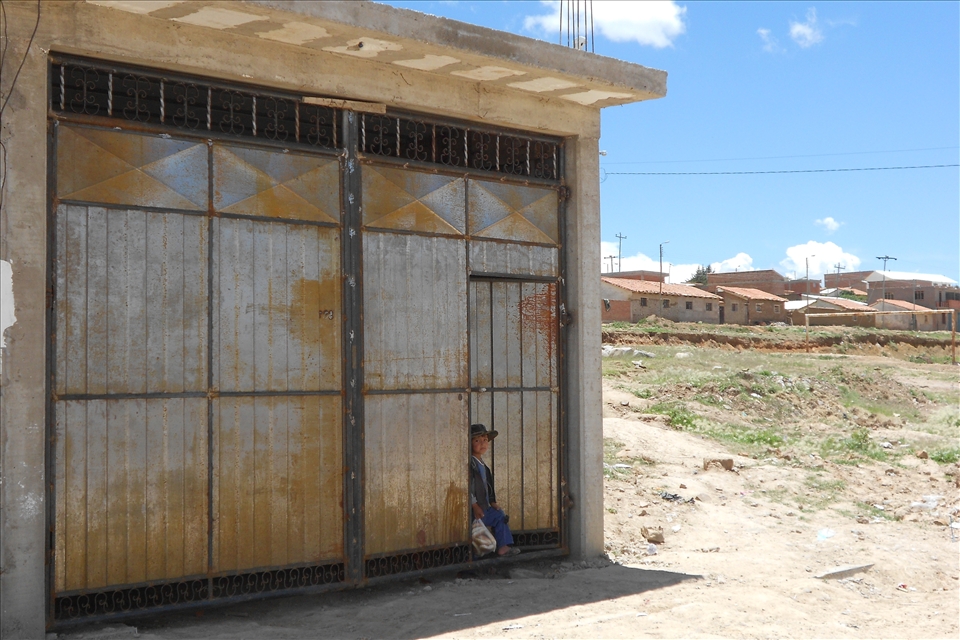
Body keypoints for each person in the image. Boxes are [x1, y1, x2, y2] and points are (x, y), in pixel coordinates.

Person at [469, 423, 520, 557]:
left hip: (485, 507)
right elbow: (467, 487)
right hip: (474, 509)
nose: (482, 443)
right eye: (477, 440)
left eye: (485, 440)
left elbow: (489, 487)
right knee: (475, 532)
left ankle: (503, 547)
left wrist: (492, 502)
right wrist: (474, 505)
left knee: (500, 516)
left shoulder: (483, 466)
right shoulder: (470, 464)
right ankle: (474, 557)